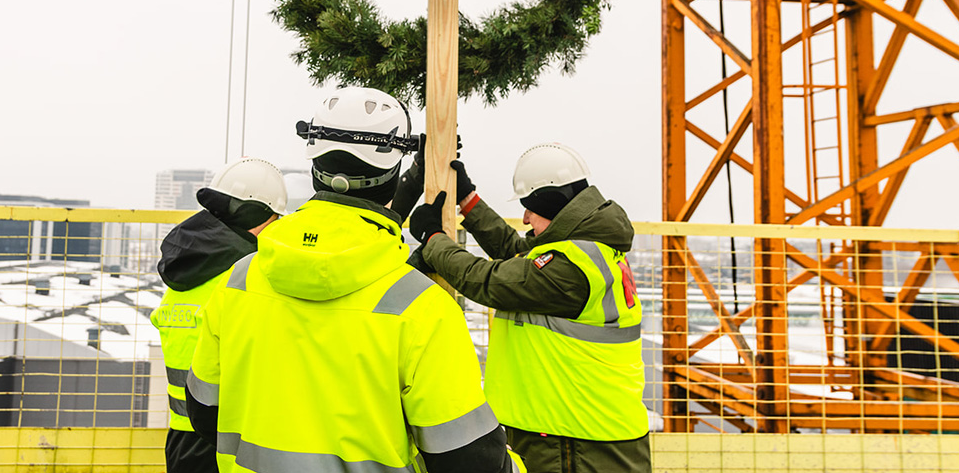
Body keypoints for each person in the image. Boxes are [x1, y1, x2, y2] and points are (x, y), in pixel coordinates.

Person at [185, 86, 522, 473]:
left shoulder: (240, 281)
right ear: (393, 175)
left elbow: (204, 413)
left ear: (313, 159)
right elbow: (469, 461)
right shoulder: (423, 310)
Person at [407, 143, 651, 473]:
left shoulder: (571, 268)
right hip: (576, 433)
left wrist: (434, 239)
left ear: (551, 204)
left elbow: (490, 281)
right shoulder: (583, 249)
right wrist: (468, 200)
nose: (524, 217)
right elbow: (517, 254)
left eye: (529, 208)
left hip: (577, 444)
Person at [152, 157, 288, 473]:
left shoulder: (189, 263)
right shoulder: (245, 275)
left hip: (182, 438)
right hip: (226, 436)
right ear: (262, 216)